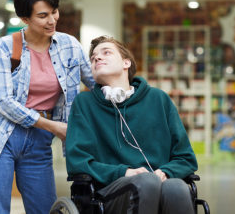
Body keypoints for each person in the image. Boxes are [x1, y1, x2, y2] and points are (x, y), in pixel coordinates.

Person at [0, 0, 95, 214]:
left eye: (54, 12)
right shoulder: (6, 47)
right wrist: (54, 127)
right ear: (25, 19)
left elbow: (93, 82)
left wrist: (123, 84)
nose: (52, 20)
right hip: (0, 137)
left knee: (44, 209)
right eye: (42, 15)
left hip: (39, 140)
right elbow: (4, 102)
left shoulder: (69, 45)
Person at [66, 36, 198, 214]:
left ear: (126, 63)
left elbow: (185, 157)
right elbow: (77, 162)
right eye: (93, 58)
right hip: (108, 193)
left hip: (159, 183)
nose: (97, 58)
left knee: (176, 187)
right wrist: (124, 172)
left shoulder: (159, 99)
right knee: (147, 181)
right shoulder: (84, 103)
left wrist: (166, 172)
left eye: (106, 52)